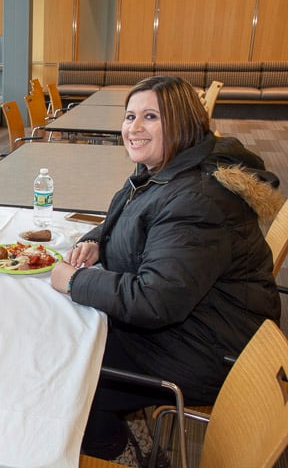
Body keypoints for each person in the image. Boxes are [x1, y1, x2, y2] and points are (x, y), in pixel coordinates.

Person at [50, 76, 282, 460]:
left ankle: (120, 452)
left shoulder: (198, 199)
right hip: (197, 325)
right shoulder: (169, 169)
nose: (134, 128)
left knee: (67, 372)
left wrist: (76, 281)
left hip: (204, 349)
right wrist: (96, 241)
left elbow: (153, 301)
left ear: (183, 123)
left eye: (151, 117)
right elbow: (129, 217)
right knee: (70, 338)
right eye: (130, 116)